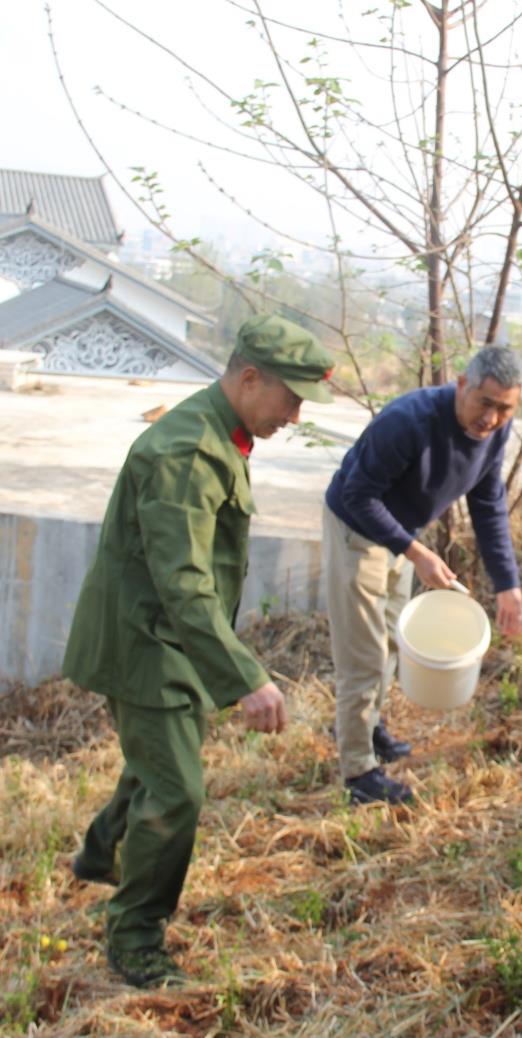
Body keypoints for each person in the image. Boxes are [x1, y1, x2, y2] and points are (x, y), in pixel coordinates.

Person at [64, 314, 337, 988]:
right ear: (250, 379)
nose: (295, 416)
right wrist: (245, 676)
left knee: (161, 760)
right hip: (145, 642)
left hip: (171, 637)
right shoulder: (188, 451)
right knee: (176, 792)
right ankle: (135, 941)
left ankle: (101, 851)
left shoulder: (219, 433)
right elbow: (182, 579)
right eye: (291, 399)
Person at [323, 346, 522, 805]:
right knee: (364, 655)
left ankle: (368, 726)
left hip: (400, 535)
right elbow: (357, 495)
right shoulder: (409, 421)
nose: (491, 418)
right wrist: (416, 553)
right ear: (462, 384)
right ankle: (358, 773)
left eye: (504, 409)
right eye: (485, 403)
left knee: (391, 639)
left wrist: (507, 583)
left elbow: (488, 504)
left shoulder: (495, 431)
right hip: (356, 530)